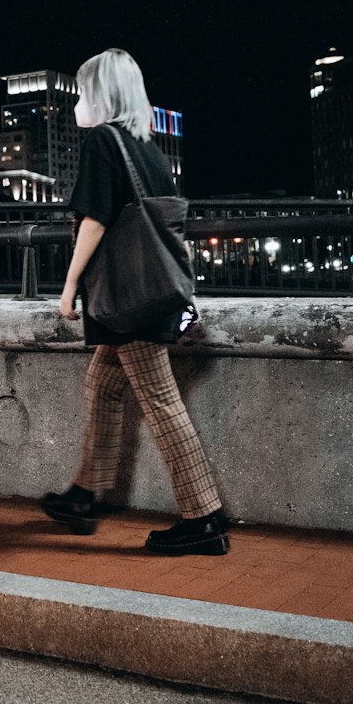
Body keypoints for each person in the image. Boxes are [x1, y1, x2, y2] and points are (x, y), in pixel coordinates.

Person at [41, 48, 229, 556]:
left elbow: (95, 222)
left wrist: (67, 287)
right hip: (151, 292)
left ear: (101, 94)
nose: (78, 100)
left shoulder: (104, 141)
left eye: (84, 90)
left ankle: (203, 518)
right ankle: (84, 495)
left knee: (162, 402)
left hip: (130, 299)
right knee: (102, 385)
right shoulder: (147, 151)